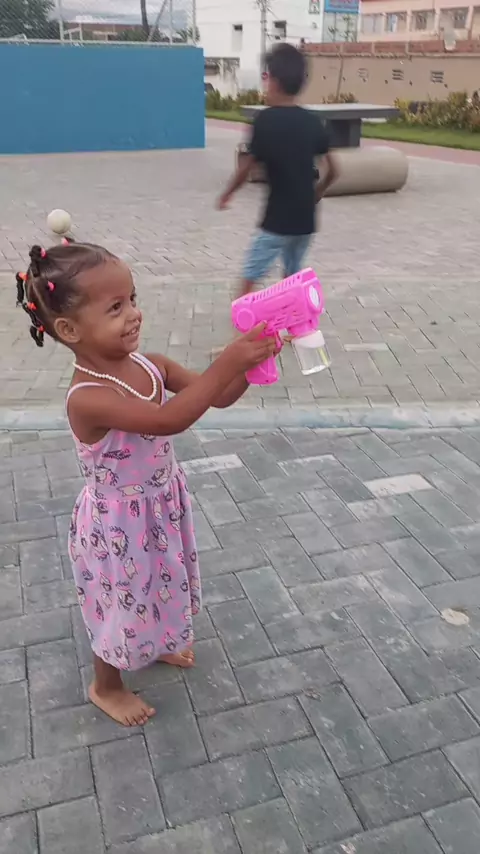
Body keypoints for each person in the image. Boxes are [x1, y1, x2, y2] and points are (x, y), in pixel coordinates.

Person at [15, 240, 276, 726]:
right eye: (115, 308)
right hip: (118, 525)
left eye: (132, 299)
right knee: (121, 602)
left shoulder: (151, 365)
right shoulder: (87, 397)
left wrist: (251, 364)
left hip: (160, 505)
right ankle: (107, 685)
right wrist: (230, 360)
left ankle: (157, 643)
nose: (134, 313)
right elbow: (169, 420)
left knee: (160, 585)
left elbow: (216, 396)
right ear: (69, 329)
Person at [218, 42, 338, 299]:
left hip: (277, 221)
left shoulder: (264, 121)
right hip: (306, 220)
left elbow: (245, 168)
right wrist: (317, 192)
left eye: (266, 77)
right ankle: (295, 315)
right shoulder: (313, 122)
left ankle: (242, 318)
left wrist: (227, 193)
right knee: (293, 273)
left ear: (273, 81)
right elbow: (334, 170)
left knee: (251, 273)